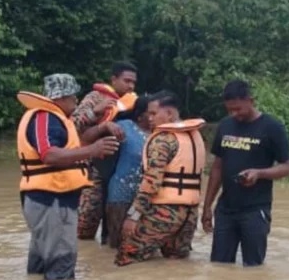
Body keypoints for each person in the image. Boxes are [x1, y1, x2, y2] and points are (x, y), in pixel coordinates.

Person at [16, 73, 120, 280]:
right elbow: (50, 155)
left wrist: (94, 119)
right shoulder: (44, 117)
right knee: (61, 263)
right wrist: (92, 150)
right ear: (61, 97)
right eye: (73, 97)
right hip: (51, 200)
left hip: (51, 201)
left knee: (41, 264)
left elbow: (75, 127)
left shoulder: (55, 118)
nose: (76, 101)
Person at [201, 79, 289, 267]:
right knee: (219, 267)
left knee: (253, 269)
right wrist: (207, 207)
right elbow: (217, 168)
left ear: (251, 101)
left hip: (255, 210)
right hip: (226, 209)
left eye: (238, 109)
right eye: (230, 110)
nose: (234, 114)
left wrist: (259, 173)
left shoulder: (272, 127)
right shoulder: (225, 126)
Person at [115, 91, 206, 267]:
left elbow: (151, 181)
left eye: (154, 113)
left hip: (164, 212)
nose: (149, 118)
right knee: (176, 263)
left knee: (127, 257)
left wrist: (133, 215)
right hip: (190, 214)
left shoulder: (163, 139)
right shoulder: (196, 136)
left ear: (170, 114)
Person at [72, 61, 139, 242]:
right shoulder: (96, 97)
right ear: (114, 79)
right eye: (127, 81)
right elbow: (73, 125)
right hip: (93, 168)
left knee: (116, 227)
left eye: (133, 82)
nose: (130, 86)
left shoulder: (135, 103)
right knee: (86, 223)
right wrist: (96, 112)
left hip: (122, 169)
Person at [102, 94, 153, 249]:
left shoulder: (162, 132)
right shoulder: (124, 126)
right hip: (121, 195)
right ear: (139, 114)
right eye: (151, 112)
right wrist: (105, 125)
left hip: (149, 200)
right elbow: (86, 138)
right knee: (118, 247)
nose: (154, 116)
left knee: (145, 246)